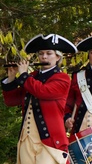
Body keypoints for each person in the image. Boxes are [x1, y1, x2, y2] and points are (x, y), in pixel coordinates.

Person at [1, 34, 77, 164]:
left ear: (58, 56)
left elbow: (42, 91)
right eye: (41, 53)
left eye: (49, 53)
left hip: (51, 141)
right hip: (26, 139)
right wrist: (12, 78)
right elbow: (11, 101)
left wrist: (24, 75)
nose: (44, 57)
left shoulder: (62, 78)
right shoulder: (32, 77)